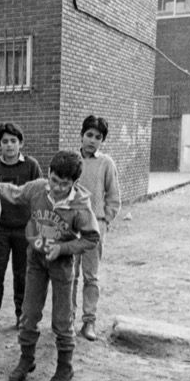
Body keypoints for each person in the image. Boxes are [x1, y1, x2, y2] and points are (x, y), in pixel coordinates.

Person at [0, 151, 99, 381]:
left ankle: (65, 367)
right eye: (54, 180)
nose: (57, 187)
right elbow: (7, 191)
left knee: (61, 319)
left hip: (61, 263)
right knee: (28, 314)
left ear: (74, 183)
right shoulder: (38, 189)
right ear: (48, 173)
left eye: (64, 184)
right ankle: (27, 359)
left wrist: (63, 248)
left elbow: (91, 238)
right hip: (36, 260)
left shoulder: (80, 206)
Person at [0, 121, 42, 331]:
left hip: (24, 229)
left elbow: (39, 195)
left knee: (22, 274)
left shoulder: (31, 166)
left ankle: (22, 315)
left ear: (21, 143)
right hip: (0, 230)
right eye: (5, 141)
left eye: (13, 141)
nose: (9, 145)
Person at [72, 115, 121, 341]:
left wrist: (103, 220)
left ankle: (89, 321)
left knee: (90, 276)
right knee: (68, 275)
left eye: (98, 137)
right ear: (81, 135)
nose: (92, 140)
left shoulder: (106, 163)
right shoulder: (71, 160)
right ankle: (67, 319)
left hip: (94, 227)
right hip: (70, 227)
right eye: (89, 135)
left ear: (102, 141)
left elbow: (114, 197)